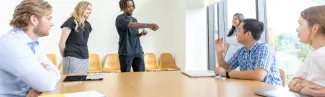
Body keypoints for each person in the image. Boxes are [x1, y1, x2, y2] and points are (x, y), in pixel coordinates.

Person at [0, 0, 60, 97]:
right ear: (34, 20)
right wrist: (48, 72)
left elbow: (48, 78)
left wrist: (38, 86)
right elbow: (47, 83)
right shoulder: (12, 44)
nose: (52, 23)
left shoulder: (33, 44)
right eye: (49, 18)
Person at [214, 19, 282, 86]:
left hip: (270, 91)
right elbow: (226, 68)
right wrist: (219, 53)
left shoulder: (264, 49)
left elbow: (258, 75)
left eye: (238, 30)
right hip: (252, 89)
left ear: (248, 34)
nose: (236, 33)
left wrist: (227, 73)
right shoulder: (242, 51)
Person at [288, 5, 325, 97]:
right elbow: (293, 81)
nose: (297, 29)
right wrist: (303, 88)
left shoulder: (321, 54)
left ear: (315, 28)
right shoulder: (313, 53)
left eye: (300, 24)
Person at [116, 0, 159, 72]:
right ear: (123, 7)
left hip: (138, 51)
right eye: (128, 6)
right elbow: (131, 25)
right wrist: (148, 25)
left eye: (132, 6)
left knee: (140, 77)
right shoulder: (120, 18)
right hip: (126, 52)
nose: (131, 8)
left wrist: (140, 34)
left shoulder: (134, 19)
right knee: (125, 79)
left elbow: (133, 35)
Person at [59, 1, 92, 74]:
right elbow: (61, 43)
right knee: (71, 84)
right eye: (88, 9)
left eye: (90, 10)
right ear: (81, 8)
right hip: (72, 56)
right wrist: (65, 56)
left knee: (82, 83)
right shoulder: (70, 22)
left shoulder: (88, 25)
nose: (90, 11)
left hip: (85, 57)